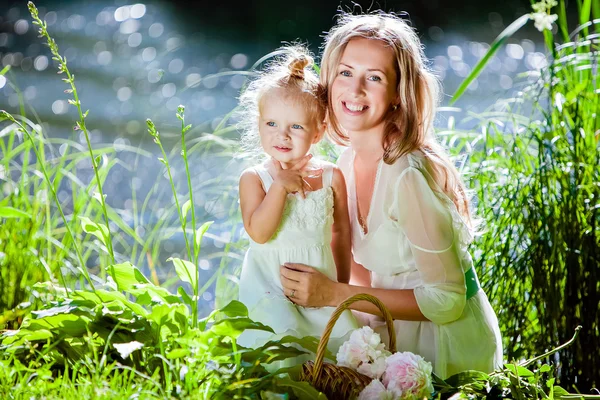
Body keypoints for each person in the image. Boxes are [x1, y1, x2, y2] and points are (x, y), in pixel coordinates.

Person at [279, 13, 503, 378]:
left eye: (375, 78)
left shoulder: (408, 177)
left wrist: (333, 294)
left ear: (399, 93)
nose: (355, 90)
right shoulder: (347, 164)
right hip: (392, 326)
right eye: (346, 72)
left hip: (447, 344)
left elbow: (447, 300)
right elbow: (367, 273)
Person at [235, 45, 359, 357]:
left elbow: (341, 232)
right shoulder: (255, 179)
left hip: (320, 286)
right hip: (270, 289)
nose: (282, 135)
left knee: (346, 353)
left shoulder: (331, 177)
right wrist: (279, 187)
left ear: (317, 133)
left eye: (297, 127)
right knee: (283, 352)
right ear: (260, 125)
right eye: (272, 124)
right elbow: (259, 232)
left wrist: (337, 287)